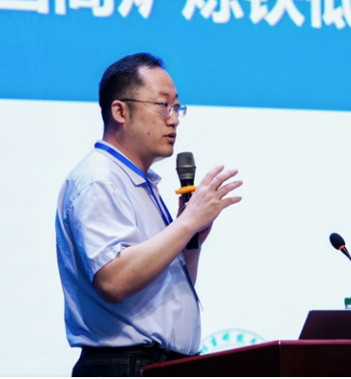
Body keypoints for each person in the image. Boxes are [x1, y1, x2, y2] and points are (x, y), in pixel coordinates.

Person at [55, 53, 242, 378]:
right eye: (163, 105)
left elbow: (166, 289)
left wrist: (192, 239)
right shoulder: (99, 180)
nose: (174, 120)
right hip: (124, 366)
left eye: (177, 107)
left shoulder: (140, 183)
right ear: (120, 111)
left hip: (164, 364)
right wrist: (186, 223)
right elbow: (113, 280)